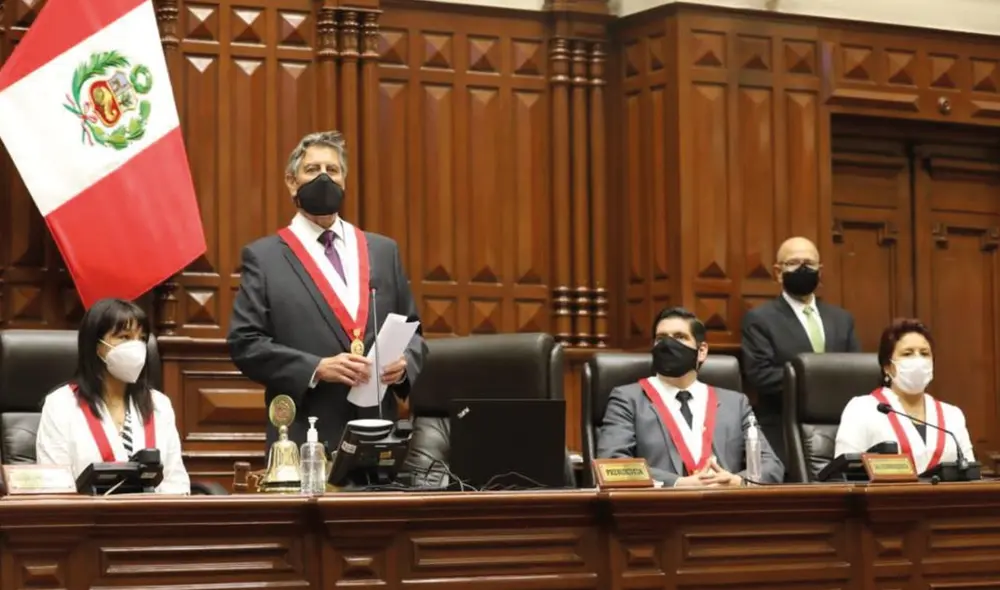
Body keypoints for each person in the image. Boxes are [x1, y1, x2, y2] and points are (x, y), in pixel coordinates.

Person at [228, 130, 428, 451]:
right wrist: (316, 368)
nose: (324, 178)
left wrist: (405, 364)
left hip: (379, 430)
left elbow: (415, 333)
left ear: (344, 181)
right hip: (305, 433)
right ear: (292, 182)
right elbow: (245, 344)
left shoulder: (382, 251)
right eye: (312, 170)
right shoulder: (264, 258)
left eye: (332, 170)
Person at [598, 307, 784, 487]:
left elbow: (771, 466)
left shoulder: (735, 403)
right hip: (659, 510)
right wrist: (678, 483)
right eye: (661, 339)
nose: (668, 345)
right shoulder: (628, 399)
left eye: (680, 337)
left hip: (724, 508)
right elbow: (613, 465)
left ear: (701, 351)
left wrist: (737, 481)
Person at [35, 298, 190, 494]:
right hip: (87, 520)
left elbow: (175, 481)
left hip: (153, 519)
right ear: (96, 346)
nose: (136, 348)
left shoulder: (159, 404)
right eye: (124, 337)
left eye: (142, 339)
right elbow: (53, 486)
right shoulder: (61, 404)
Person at [741, 236, 860, 466]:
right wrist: (818, 384)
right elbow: (760, 374)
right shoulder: (760, 319)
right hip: (783, 431)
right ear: (778, 272)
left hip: (840, 431)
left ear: (820, 270)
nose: (803, 268)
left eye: (809, 263)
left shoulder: (842, 319)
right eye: (794, 263)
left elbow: (855, 372)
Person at [834, 319, 974, 473]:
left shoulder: (952, 415)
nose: (918, 360)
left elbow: (971, 474)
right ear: (887, 366)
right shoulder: (862, 409)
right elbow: (844, 474)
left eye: (924, 353)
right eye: (907, 354)